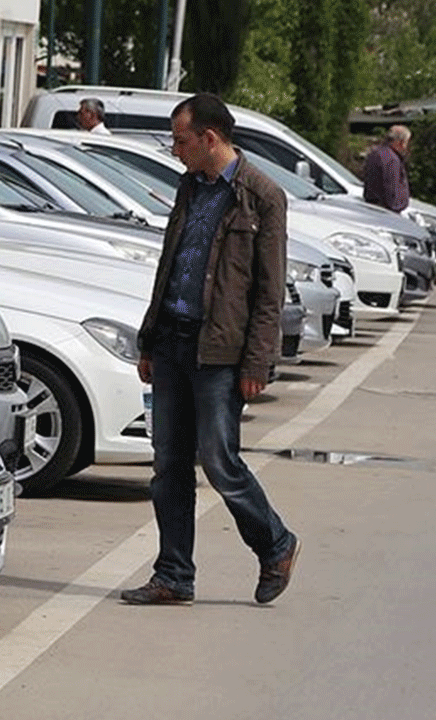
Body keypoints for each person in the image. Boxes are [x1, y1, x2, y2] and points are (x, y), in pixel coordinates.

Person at [125, 93, 300, 606]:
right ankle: (173, 575)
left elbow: (269, 290)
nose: (174, 150)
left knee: (220, 461)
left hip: (220, 353)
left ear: (210, 138)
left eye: (181, 140)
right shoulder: (190, 186)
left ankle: (275, 544)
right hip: (172, 342)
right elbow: (170, 266)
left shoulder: (262, 196)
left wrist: (257, 361)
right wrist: (149, 339)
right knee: (168, 465)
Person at [362, 124, 411, 213]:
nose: (405, 147)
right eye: (406, 143)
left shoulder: (376, 152)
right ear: (400, 142)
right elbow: (391, 191)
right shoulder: (391, 159)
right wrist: (397, 206)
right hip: (385, 211)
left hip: (372, 206)